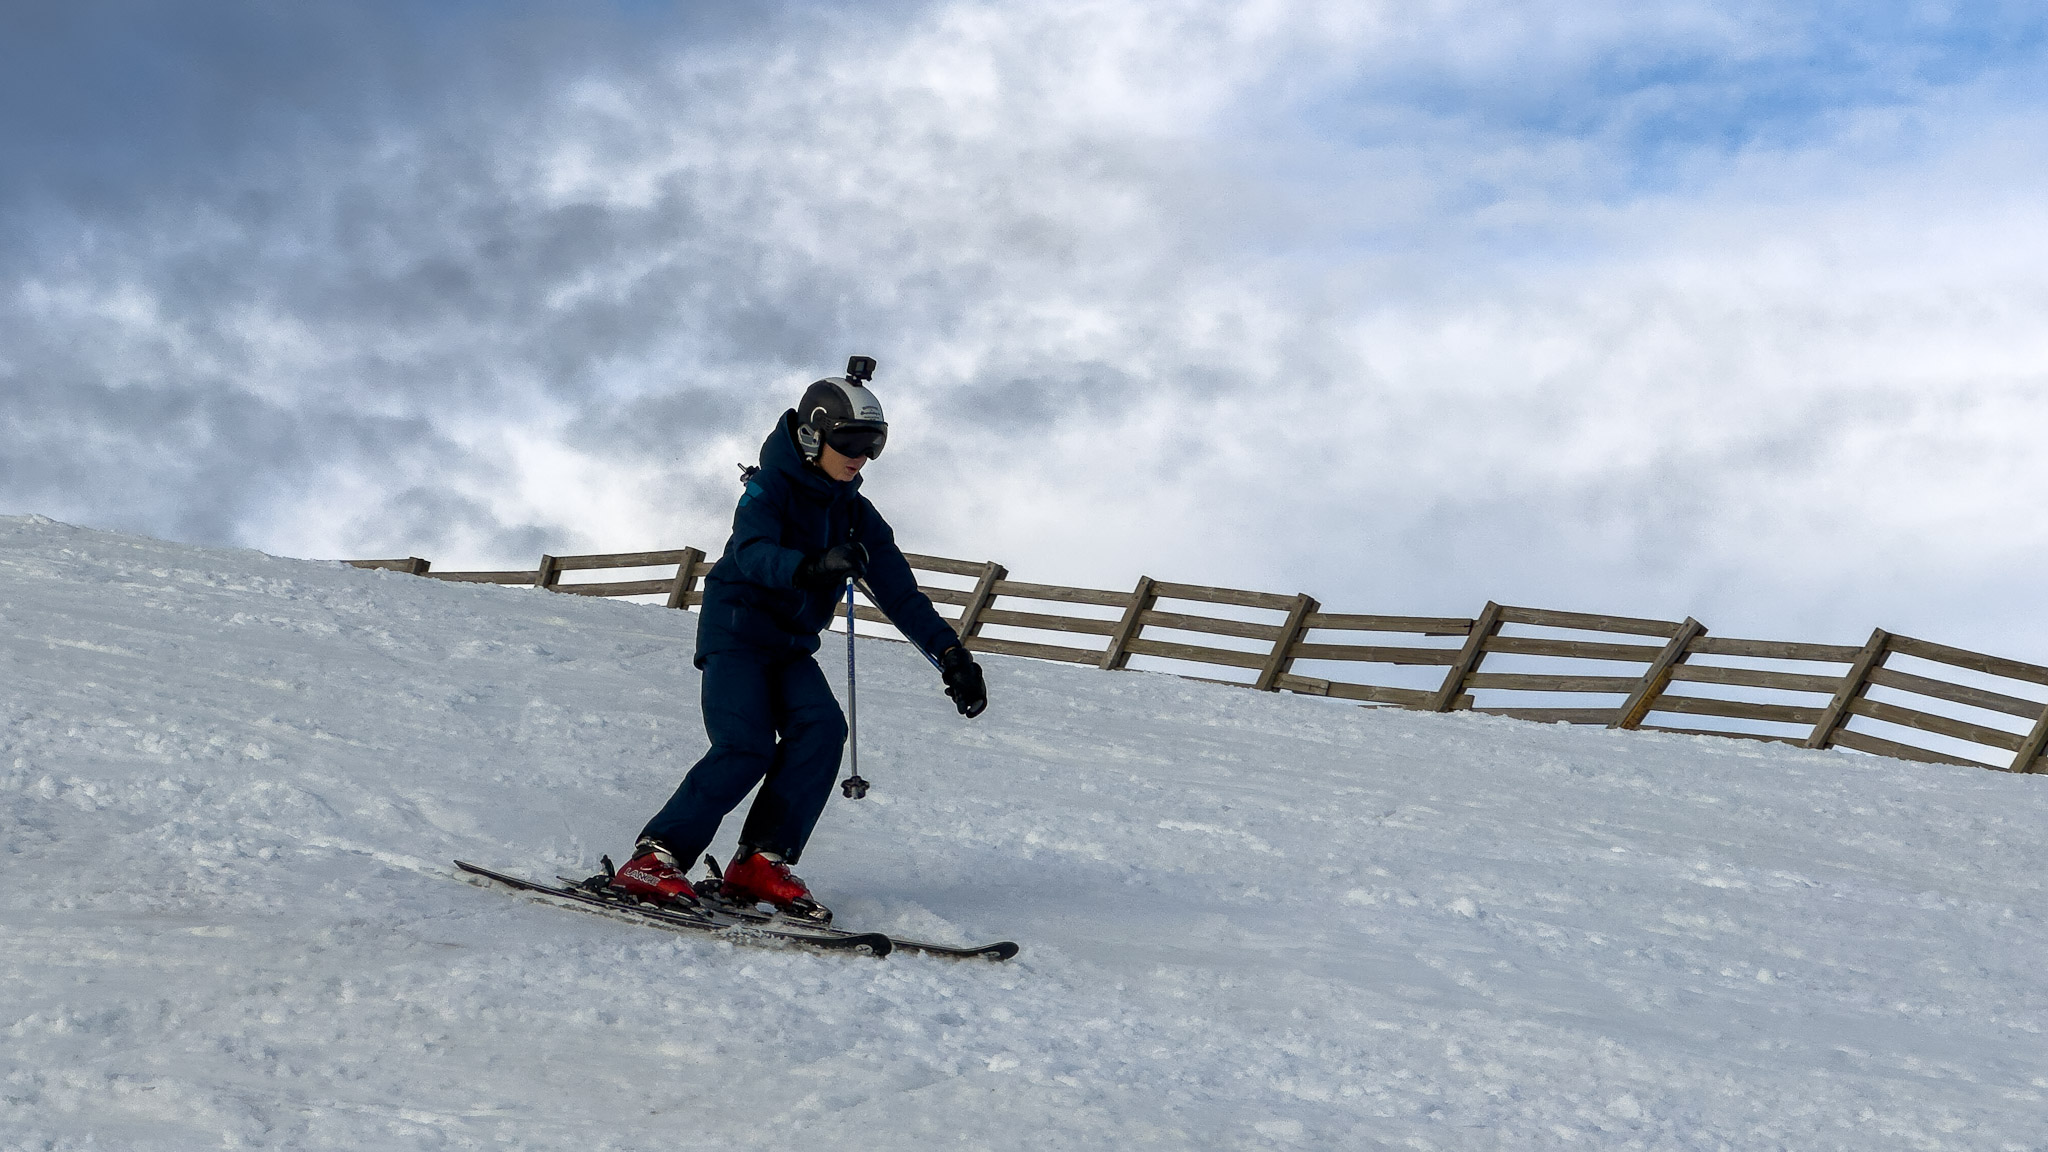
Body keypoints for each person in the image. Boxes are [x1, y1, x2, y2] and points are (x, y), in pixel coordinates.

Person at [609, 358, 988, 921]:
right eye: (850, 440)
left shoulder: (857, 515)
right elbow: (750, 552)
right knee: (746, 744)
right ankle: (655, 857)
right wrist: (812, 565)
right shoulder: (770, 489)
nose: (860, 456)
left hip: (789, 645)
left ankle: (759, 862)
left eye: (872, 445)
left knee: (821, 728)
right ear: (813, 434)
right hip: (737, 632)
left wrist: (952, 656)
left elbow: (901, 596)